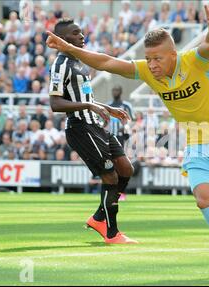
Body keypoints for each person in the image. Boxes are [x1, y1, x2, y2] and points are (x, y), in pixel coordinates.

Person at [46, 6, 209, 279]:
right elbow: (105, 62)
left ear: (173, 54)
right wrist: (66, 47)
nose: (152, 65)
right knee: (205, 200)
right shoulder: (147, 71)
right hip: (197, 142)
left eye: (157, 59)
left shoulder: (194, 61)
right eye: (148, 59)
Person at [48, 19, 137, 245]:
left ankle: (99, 216)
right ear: (64, 39)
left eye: (81, 32)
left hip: (95, 125)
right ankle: (111, 233)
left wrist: (106, 108)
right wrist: (89, 106)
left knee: (126, 168)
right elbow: (55, 104)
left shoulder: (81, 62)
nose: (81, 36)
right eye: (75, 33)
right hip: (80, 128)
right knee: (110, 176)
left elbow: (85, 97)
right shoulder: (60, 65)